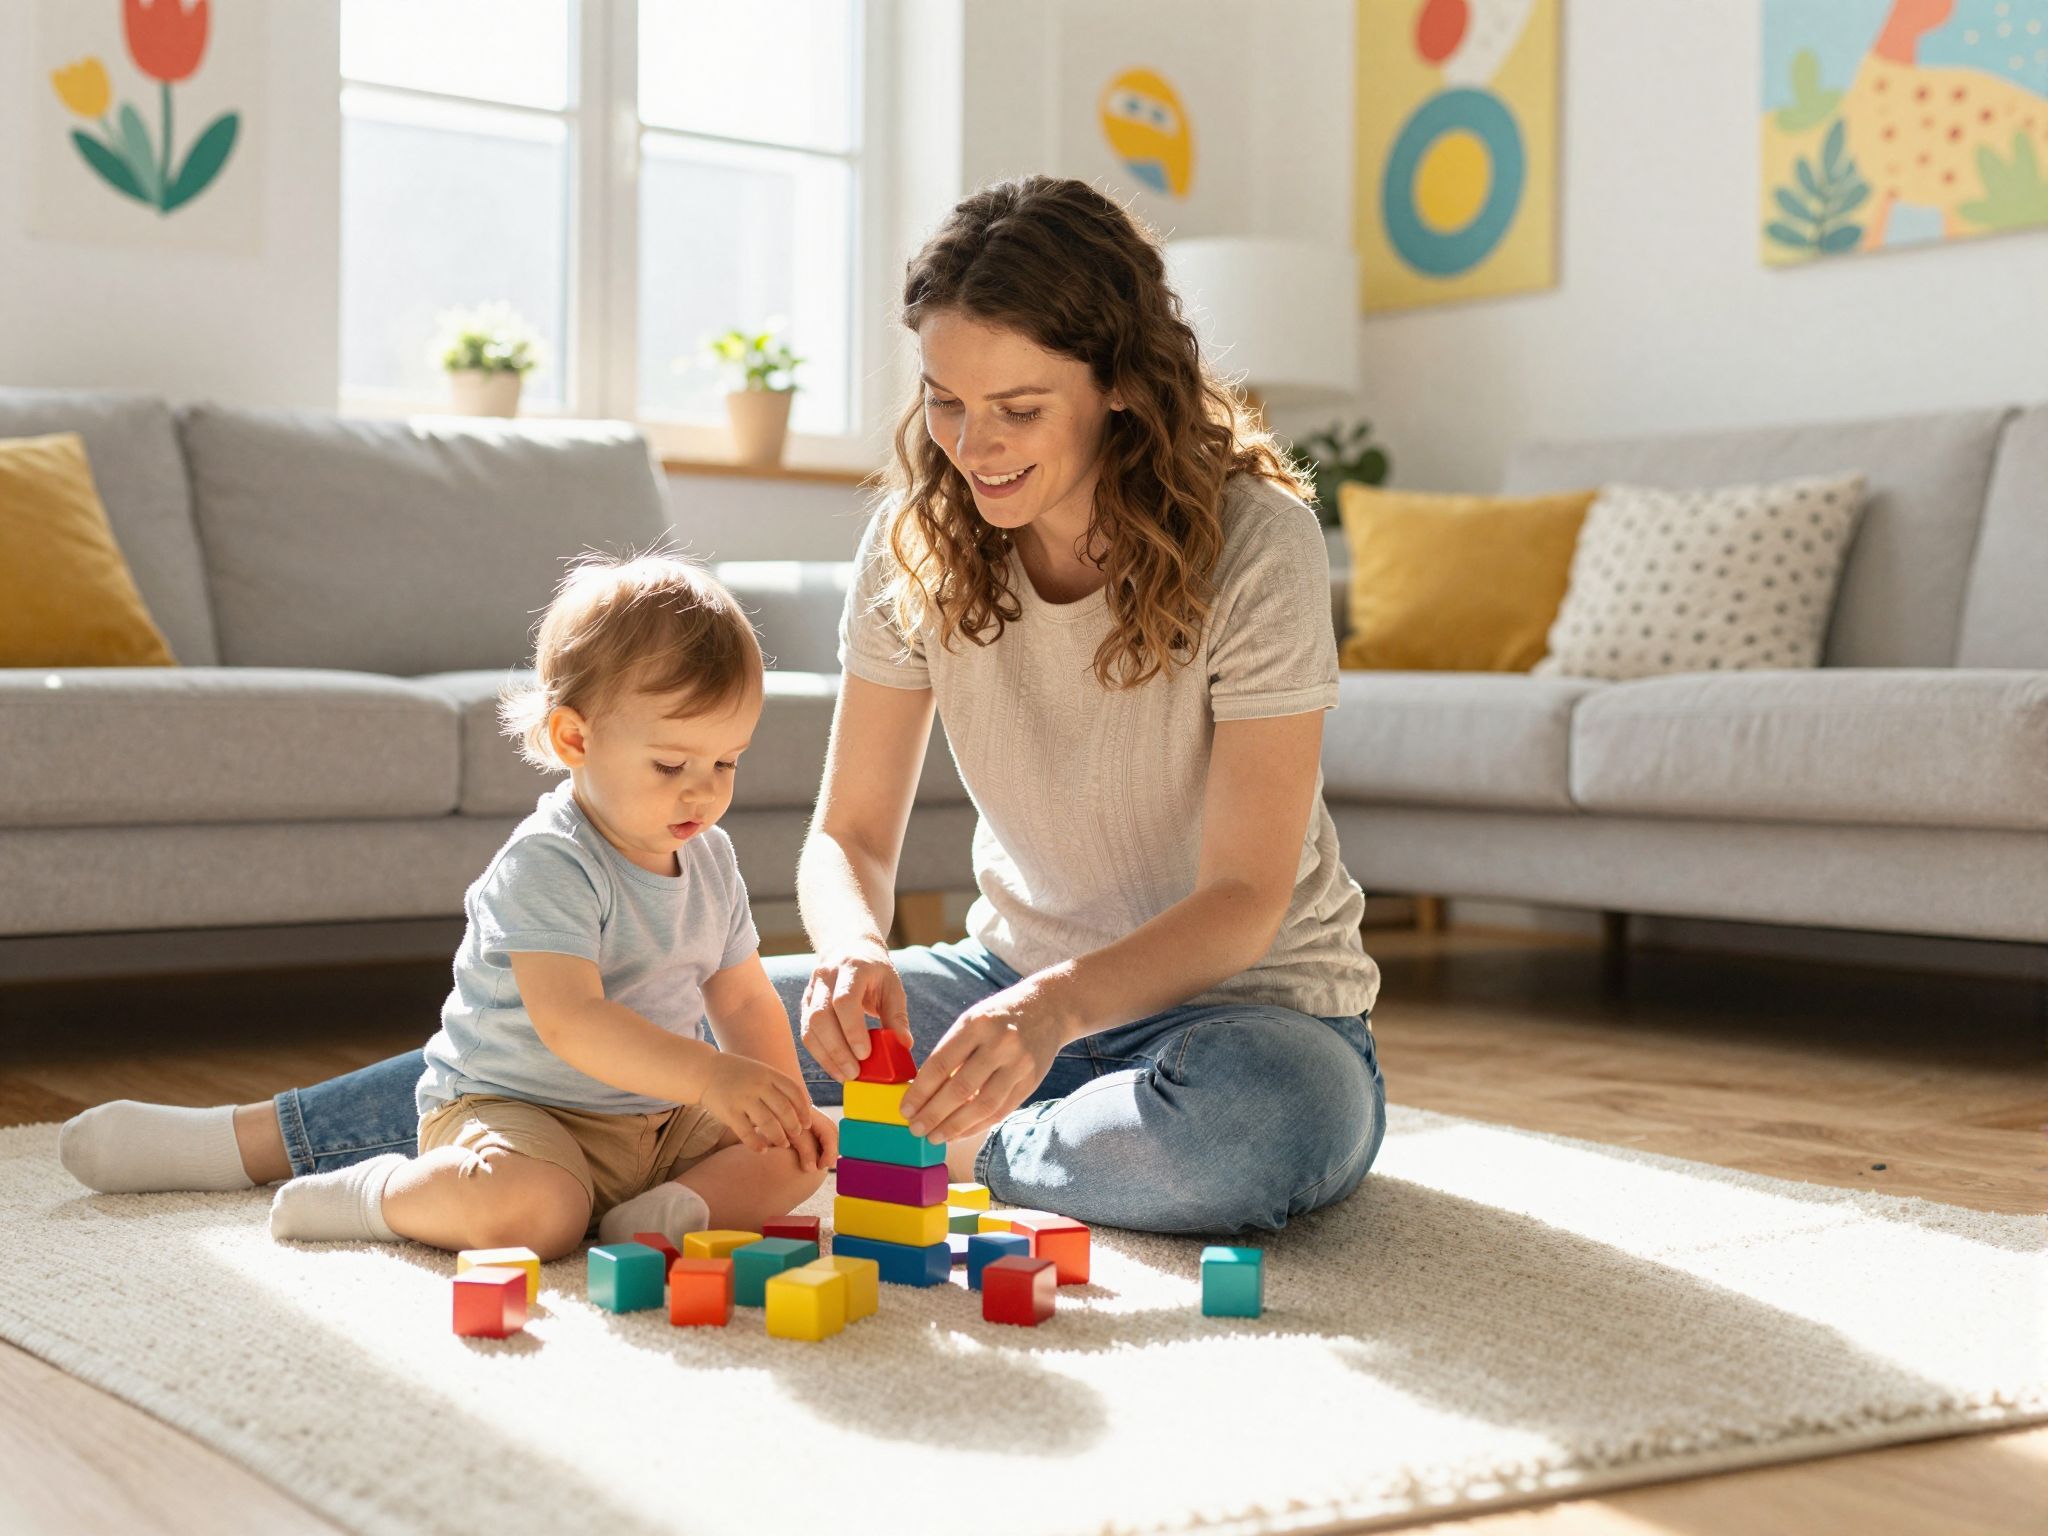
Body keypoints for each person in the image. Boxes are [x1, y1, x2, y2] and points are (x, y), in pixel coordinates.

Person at [61, 175, 1385, 1237]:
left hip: (1253, 1012)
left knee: (1257, 1134)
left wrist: (1050, 1016)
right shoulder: (920, 543)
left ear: (1121, 383)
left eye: (1018, 409)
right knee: (647, 1012)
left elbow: (1243, 896)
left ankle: (934, 1151)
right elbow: (849, 836)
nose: (972, 447)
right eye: (945, 403)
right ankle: (260, 1140)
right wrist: (854, 950)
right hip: (993, 985)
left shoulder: (1254, 541)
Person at [67, 554, 834, 1261]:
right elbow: (572, 1021)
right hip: (524, 1113)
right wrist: (711, 1076)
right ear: (575, 739)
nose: (703, 790)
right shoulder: (550, 862)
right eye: (670, 764)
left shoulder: (711, 859)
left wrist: (781, 1105)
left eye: (726, 761)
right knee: (534, 1215)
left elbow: (741, 996)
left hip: (661, 1121)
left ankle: (667, 1213)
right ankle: (376, 1196)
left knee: (807, 1147)